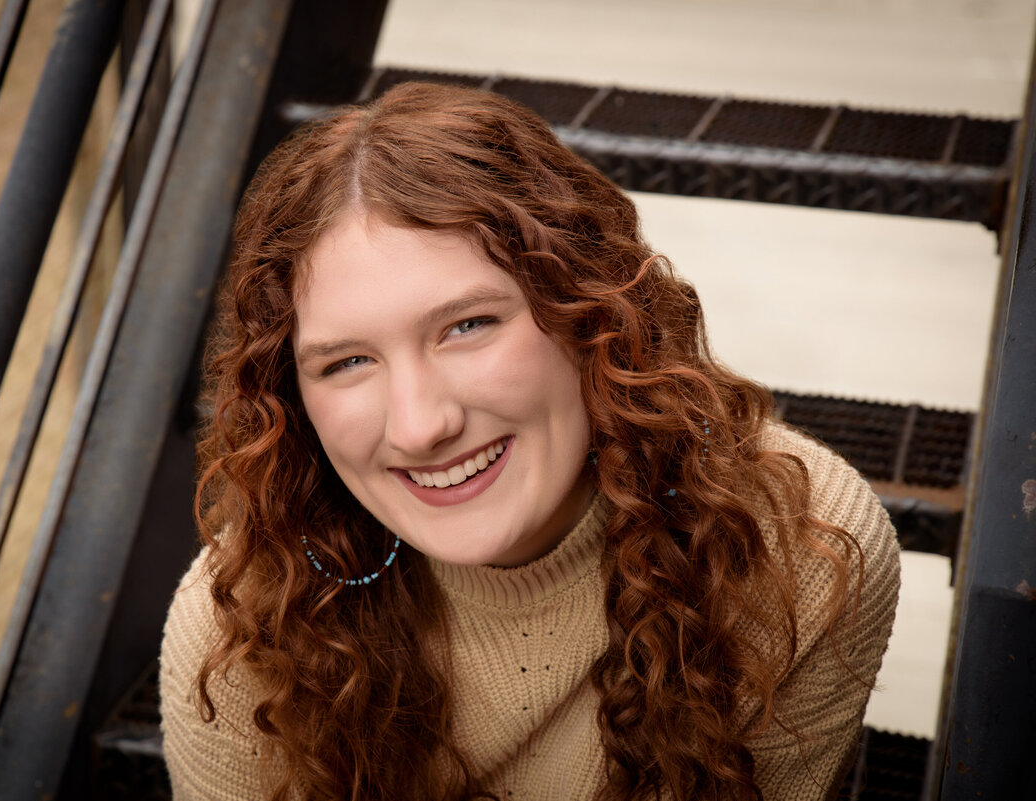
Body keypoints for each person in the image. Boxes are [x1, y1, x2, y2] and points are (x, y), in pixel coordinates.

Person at [159, 81, 900, 801]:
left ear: (591, 316)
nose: (420, 426)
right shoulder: (244, 623)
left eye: (468, 325)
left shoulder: (798, 545)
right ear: (295, 398)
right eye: (347, 362)